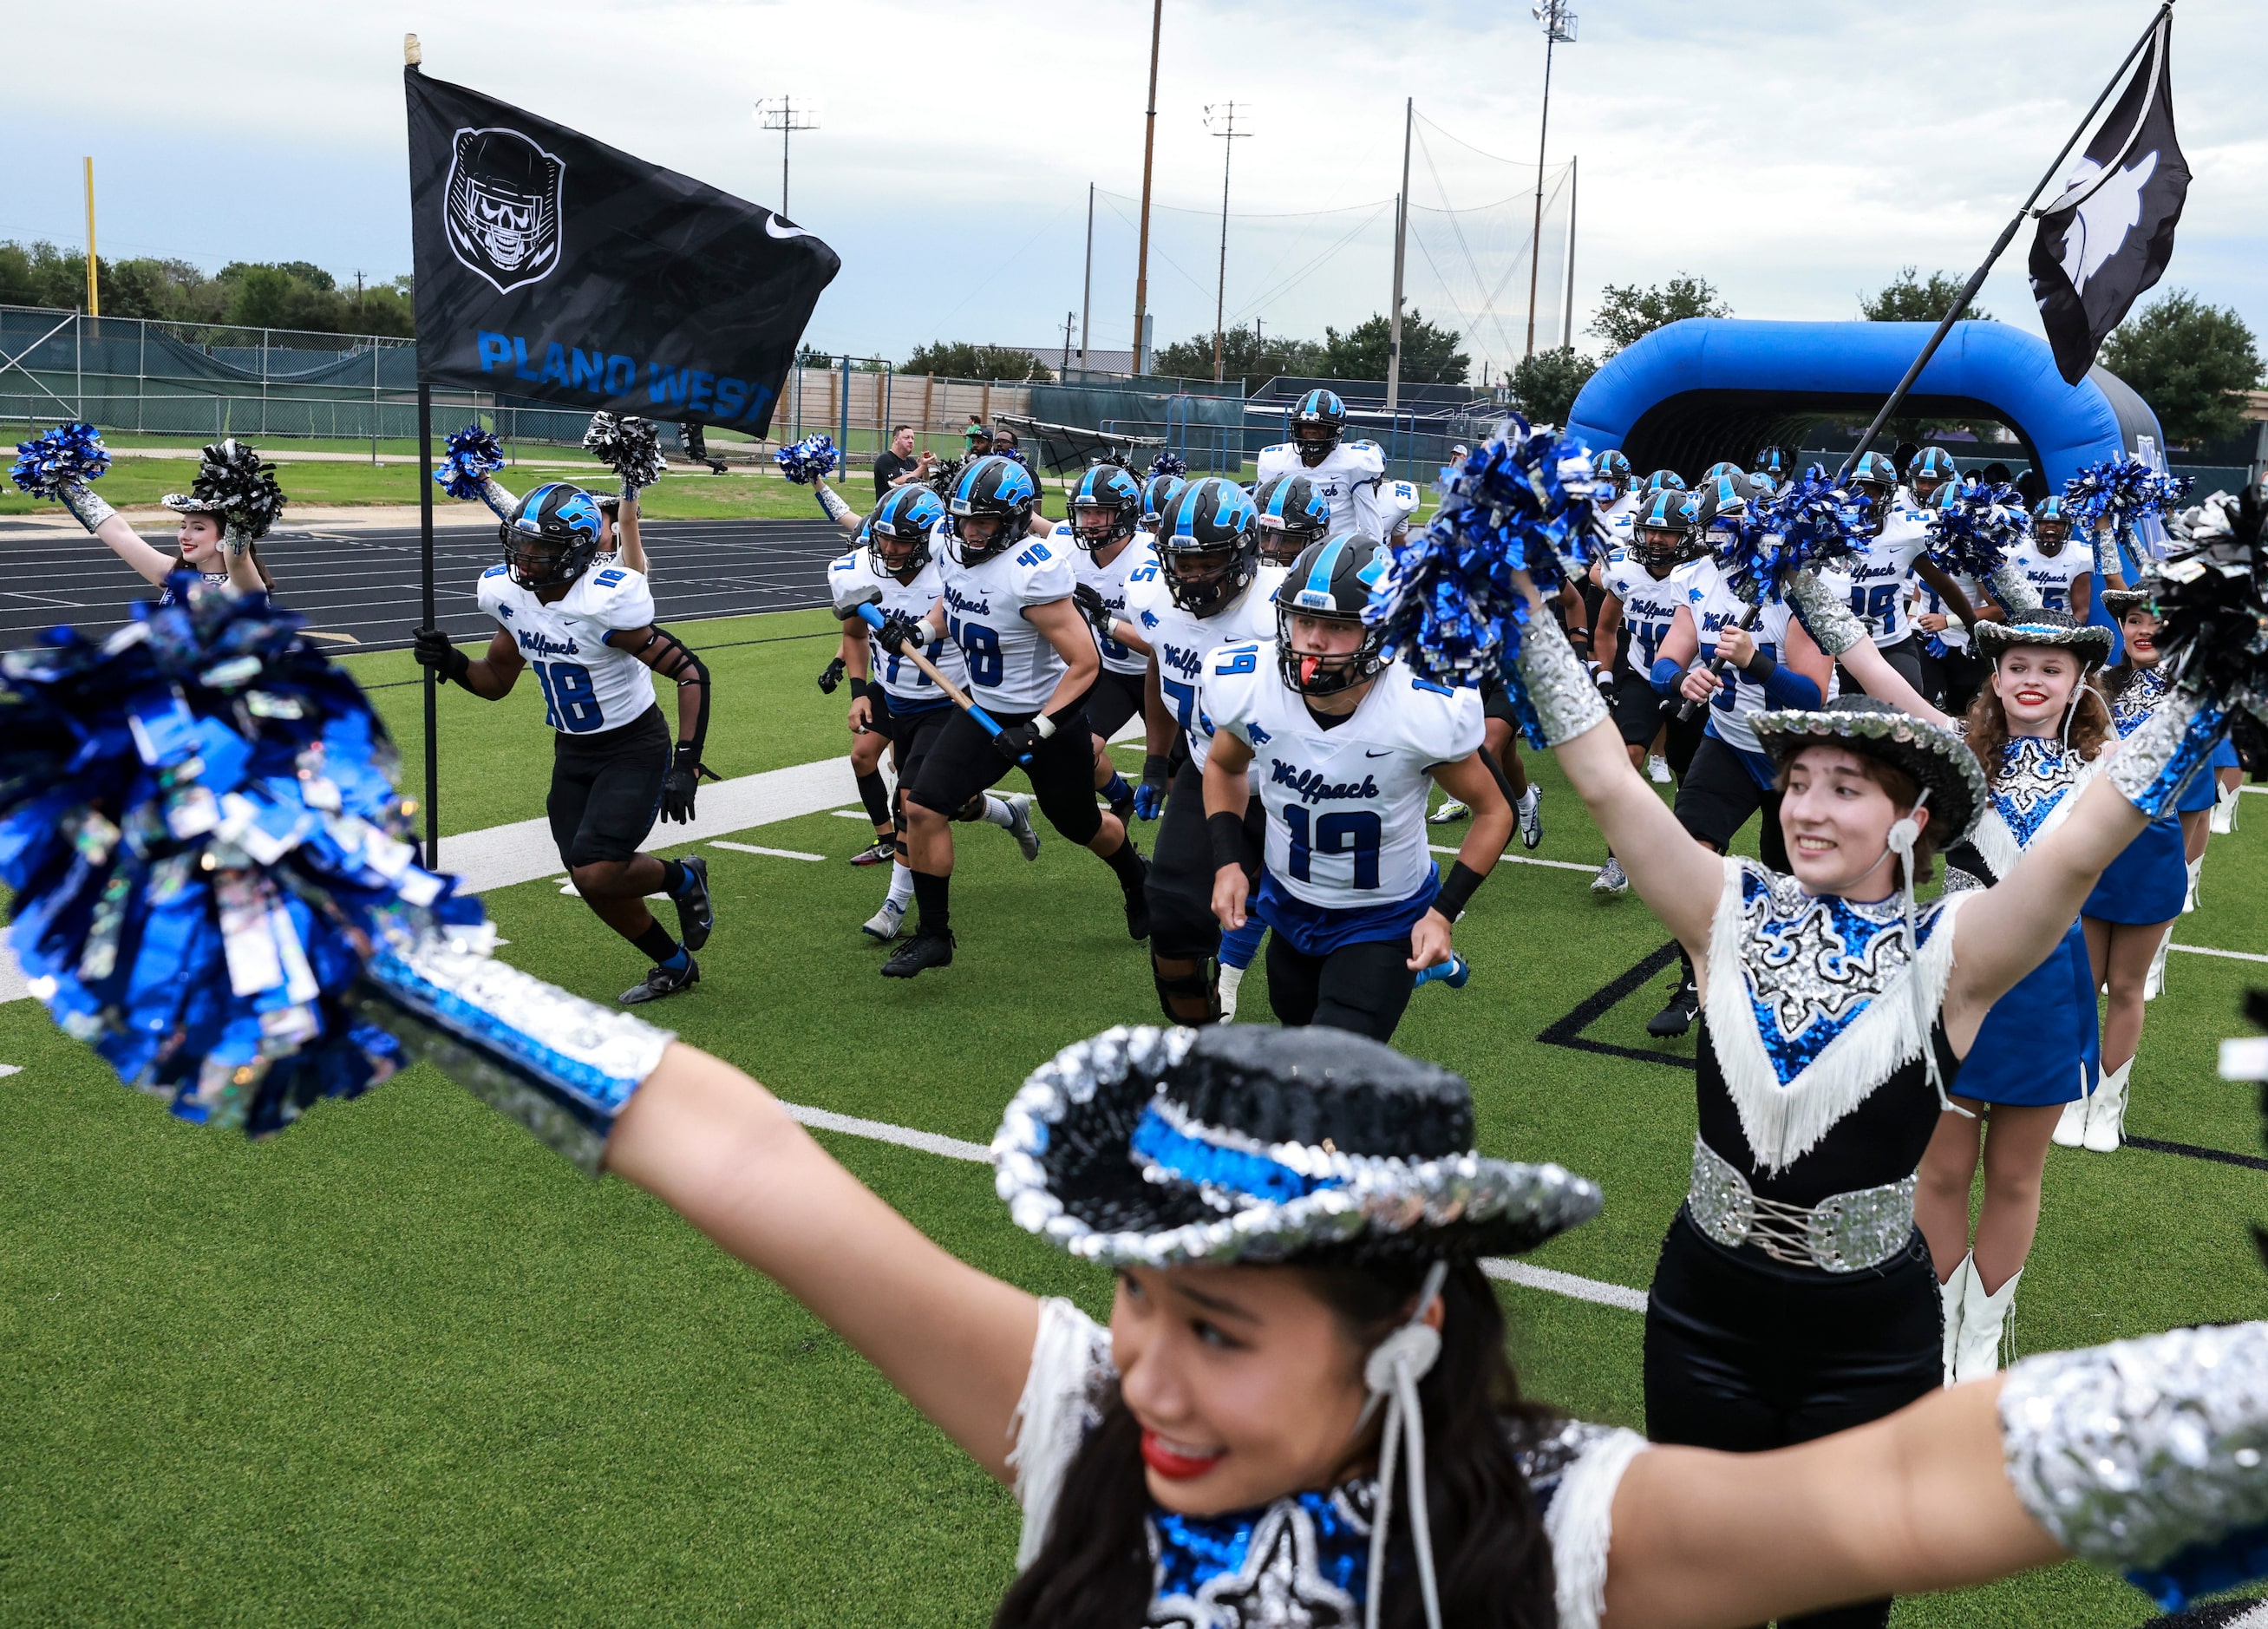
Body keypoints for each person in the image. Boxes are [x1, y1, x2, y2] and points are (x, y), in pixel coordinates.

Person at [1512, 566, 2237, 1627]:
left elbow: (2083, 841)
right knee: (1686, 1589)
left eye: (1844, 787)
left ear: (1911, 820)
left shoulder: (1956, 951)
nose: (1805, 807)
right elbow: (1611, 789)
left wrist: (2212, 671)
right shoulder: (1721, 908)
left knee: (1835, 1610)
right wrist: (1518, 604)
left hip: (1865, 1341)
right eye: (1796, 780)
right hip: (1700, 1310)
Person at [411, 482, 717, 1004]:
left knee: (598, 870)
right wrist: (454, 662)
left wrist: (685, 762)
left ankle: (684, 877)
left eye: (543, 550)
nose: (527, 561)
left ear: (576, 551)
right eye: (522, 546)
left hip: (632, 745)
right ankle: (674, 964)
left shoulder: (603, 606)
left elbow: (691, 672)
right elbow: (495, 682)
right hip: (572, 750)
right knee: (586, 873)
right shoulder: (515, 601)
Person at [1200, 533, 1513, 1043]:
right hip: (1291, 907)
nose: (1313, 642)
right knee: (1298, 1031)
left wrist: (1442, 913)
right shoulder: (1250, 686)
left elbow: (1494, 811)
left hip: (1385, 918)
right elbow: (1224, 767)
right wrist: (1228, 862)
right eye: (1304, 621)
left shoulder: (1421, 707)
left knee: (1331, 1069)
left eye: (1338, 626)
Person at [1918, 611, 2114, 1386]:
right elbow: (1866, 664)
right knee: (1937, 1173)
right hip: (1954, 976)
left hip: (2044, 988)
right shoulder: (1953, 754)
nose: (2031, 679)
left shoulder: (2109, 770)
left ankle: (1981, 1334)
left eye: (2052, 668)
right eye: (2017, 665)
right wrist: (1797, 562)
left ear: (2076, 686)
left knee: (2013, 1175)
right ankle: (1933, 1327)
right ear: (1994, 679)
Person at [869, 455, 1151, 977]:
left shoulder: (1032, 572)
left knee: (1079, 824)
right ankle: (935, 935)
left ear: (1016, 520)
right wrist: (922, 634)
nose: (969, 532)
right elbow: (952, 609)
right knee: (925, 805)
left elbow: (1086, 663)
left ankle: (1137, 878)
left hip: (1048, 720)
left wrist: (1038, 728)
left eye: (984, 522)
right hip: (983, 711)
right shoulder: (950, 552)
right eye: (963, 519)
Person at [826, 487, 1040, 943]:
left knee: (912, 802)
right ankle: (1007, 813)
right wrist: (859, 691)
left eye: (902, 541)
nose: (889, 549)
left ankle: (895, 905)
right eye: (884, 539)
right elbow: (855, 631)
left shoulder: (955, 568)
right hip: (893, 692)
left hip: (947, 701)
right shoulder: (863, 566)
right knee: (930, 796)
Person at [1122, 477, 1286, 1024]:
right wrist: (1153, 760)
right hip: (1206, 767)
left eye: (1207, 562)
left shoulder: (1281, 610)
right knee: (1169, 910)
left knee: (1306, 938)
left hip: (1294, 784)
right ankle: (1199, 1033)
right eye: (1182, 562)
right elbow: (1158, 665)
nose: (1192, 577)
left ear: (1244, 551)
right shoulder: (1151, 600)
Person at [2068, 584, 2190, 1152]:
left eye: (2155, 620)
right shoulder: (2096, 687)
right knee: (2081, 982)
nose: (2142, 628)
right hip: (2092, 850)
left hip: (2148, 851)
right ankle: (2074, 1091)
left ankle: (2107, 1106)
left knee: (2123, 986)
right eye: (2133, 619)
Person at [1586, 487, 1708, 896]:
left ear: (1688, 534)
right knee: (1626, 759)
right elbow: (1605, 629)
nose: (1657, 539)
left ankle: (1688, 851)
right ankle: (1618, 859)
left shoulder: (1705, 572)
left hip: (1692, 678)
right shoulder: (1622, 568)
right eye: (1650, 531)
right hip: (1641, 672)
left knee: (1689, 770)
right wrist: (1606, 675)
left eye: (1668, 532)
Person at [29, 428, 274, 602]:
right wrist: (63, 480)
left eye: (198, 528)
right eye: (183, 526)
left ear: (225, 536)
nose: (185, 535)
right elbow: (120, 534)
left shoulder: (244, 586)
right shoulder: (176, 577)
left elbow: (238, 558)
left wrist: (241, 509)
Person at [1820, 450, 1981, 694]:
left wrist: (1971, 625)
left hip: (1892, 642)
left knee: (1908, 709)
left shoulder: (1907, 532)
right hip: (1839, 644)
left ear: (1889, 493)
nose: (1864, 500)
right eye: (1856, 491)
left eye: (1872, 491)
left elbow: (1944, 585)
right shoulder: (1825, 535)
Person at [1058, 464, 1156, 825]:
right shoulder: (1065, 546)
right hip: (1110, 673)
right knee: (1079, 752)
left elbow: (1160, 646)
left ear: (1126, 512)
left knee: (1177, 774)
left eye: (1100, 512)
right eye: (1084, 512)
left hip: (1158, 674)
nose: (1090, 521)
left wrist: (1107, 622)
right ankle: (1121, 797)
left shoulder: (1150, 560)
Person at [1253, 389, 1389, 536]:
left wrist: (1369, 554)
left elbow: (1370, 527)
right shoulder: (1275, 462)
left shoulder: (1354, 465)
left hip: (1337, 550)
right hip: (1287, 549)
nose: (1311, 433)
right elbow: (1259, 515)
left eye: (1319, 428)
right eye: (1306, 427)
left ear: (1336, 430)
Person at [873, 423, 931, 499]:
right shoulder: (885, 459)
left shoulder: (911, 461)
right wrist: (920, 469)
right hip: (891, 508)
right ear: (896, 440)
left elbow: (924, 482)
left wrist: (925, 466)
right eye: (907, 438)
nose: (911, 441)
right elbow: (895, 483)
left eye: (912, 438)